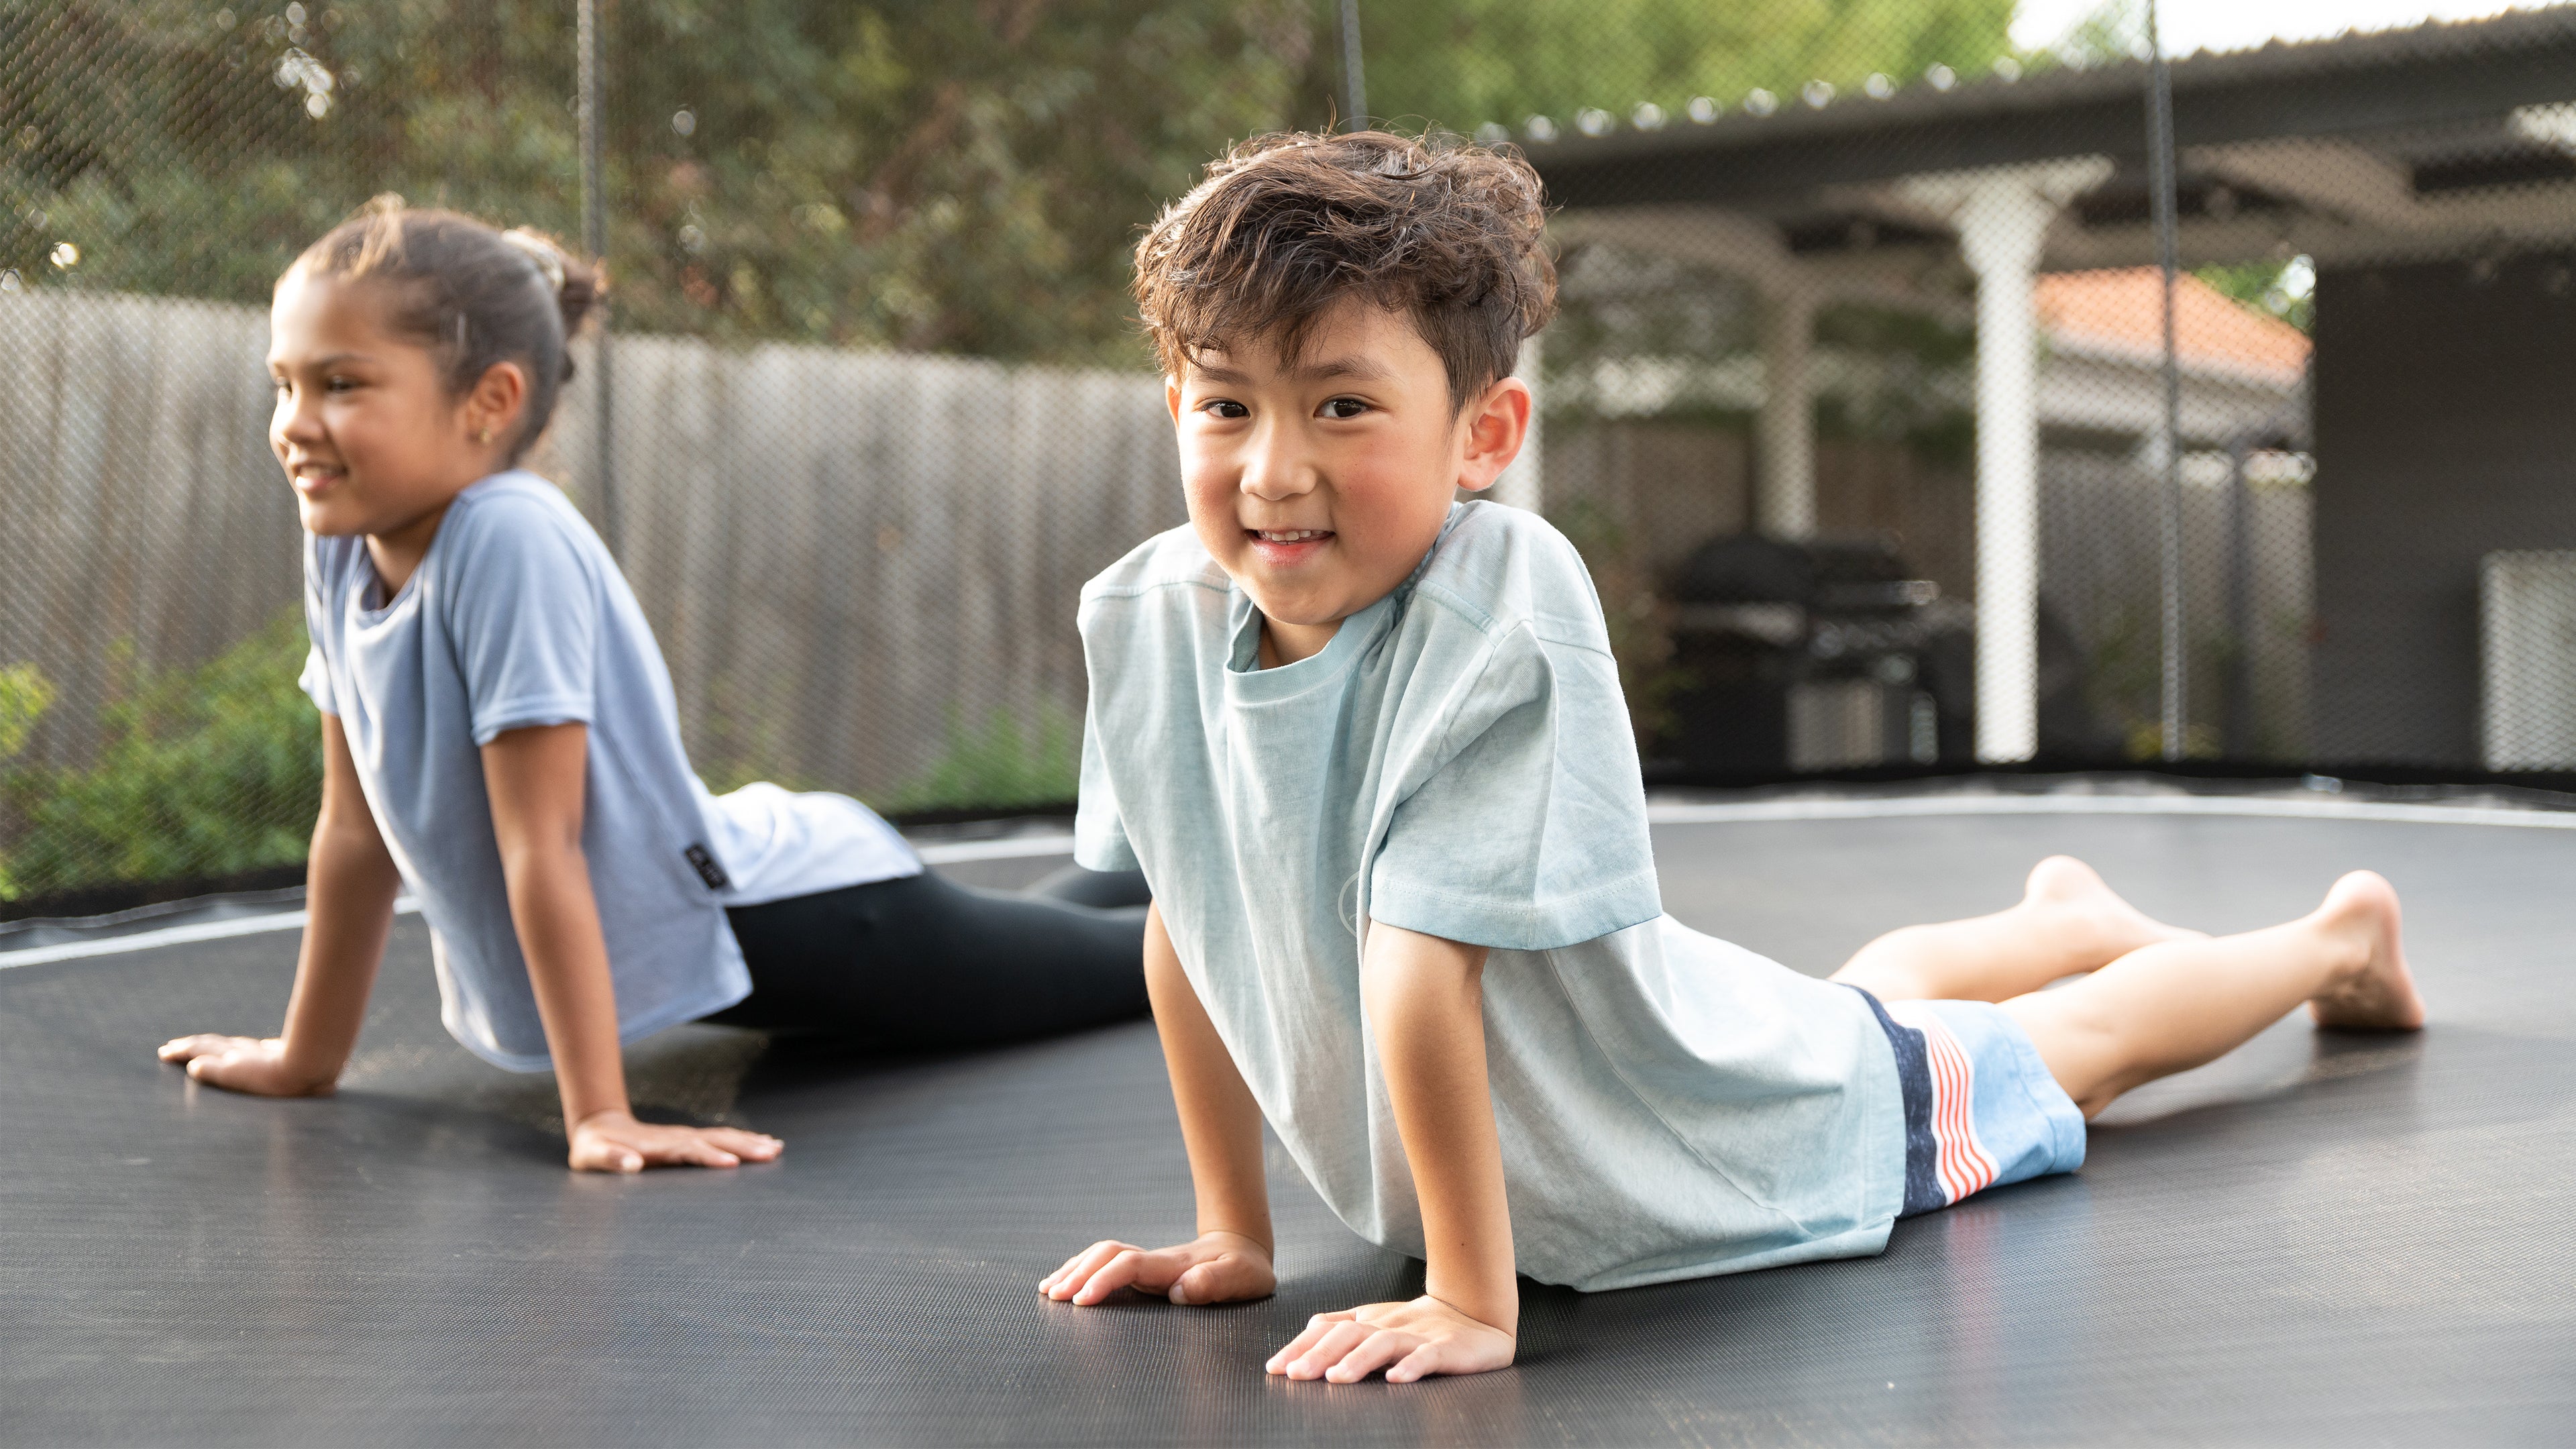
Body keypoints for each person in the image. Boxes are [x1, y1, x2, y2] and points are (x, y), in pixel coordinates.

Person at [1037, 131, 2425, 1383]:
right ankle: (2054, 917)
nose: (1274, 469)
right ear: (1175, 404)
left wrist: (1472, 1297)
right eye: (1227, 407)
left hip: (1728, 1152)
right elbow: (1188, 921)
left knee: (2081, 1050)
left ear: (1485, 435)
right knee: (1844, 1022)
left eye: (1342, 407)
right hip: (1672, 1064)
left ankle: (2332, 941)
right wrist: (1235, 1230)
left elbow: (1417, 967)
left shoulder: (1498, 608)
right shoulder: (1147, 614)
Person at [158, 198, 1149, 1173]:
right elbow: (352, 825)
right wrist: (305, 1060)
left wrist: (601, 1116)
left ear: (490, 402)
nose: (296, 424)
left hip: (820, 925)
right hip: (764, 932)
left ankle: (1253, 865)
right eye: (284, 385)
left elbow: (541, 843)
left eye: (339, 384)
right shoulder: (342, 540)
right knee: (1058, 934)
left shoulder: (507, 537)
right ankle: (1152, 853)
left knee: (1143, 964)